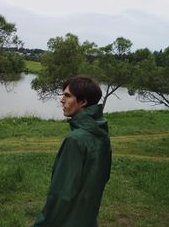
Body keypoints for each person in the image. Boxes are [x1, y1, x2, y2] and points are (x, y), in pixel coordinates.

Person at [33, 76, 112, 227]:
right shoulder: (102, 134)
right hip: (88, 218)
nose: (62, 100)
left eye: (68, 96)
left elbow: (61, 194)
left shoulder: (75, 140)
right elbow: (103, 177)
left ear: (83, 102)